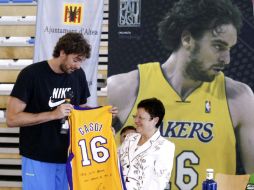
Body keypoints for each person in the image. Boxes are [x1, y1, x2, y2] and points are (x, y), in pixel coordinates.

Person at [107, 0, 254, 189]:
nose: (226, 59)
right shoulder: (123, 89)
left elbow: (253, 178)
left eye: (229, 49)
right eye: (218, 46)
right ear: (187, 39)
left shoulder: (239, 97)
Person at [6, 32, 117, 190]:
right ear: (62, 52)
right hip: (38, 156)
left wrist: (102, 119)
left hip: (70, 156)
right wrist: (52, 115)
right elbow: (12, 119)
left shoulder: (78, 75)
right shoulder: (31, 75)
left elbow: (80, 110)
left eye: (81, 61)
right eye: (76, 59)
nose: (78, 65)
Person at [118, 98, 175, 190]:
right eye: (135, 116)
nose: (136, 121)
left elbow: (159, 183)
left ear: (155, 120)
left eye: (141, 117)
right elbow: (114, 162)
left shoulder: (165, 146)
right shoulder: (129, 138)